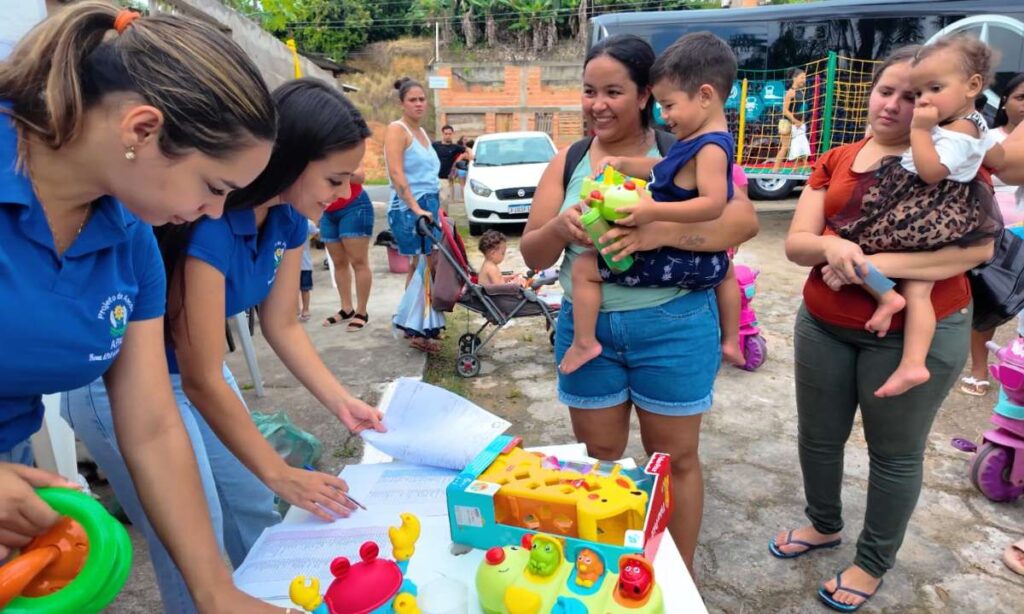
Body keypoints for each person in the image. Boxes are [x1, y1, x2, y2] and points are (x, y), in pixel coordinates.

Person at [0, 3, 288, 612]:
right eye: (215, 187)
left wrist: (216, 591)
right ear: (140, 129)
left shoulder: (130, 239)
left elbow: (154, 425)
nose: (215, 214)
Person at [63, 78, 383, 613]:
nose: (342, 194)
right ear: (292, 159)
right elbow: (199, 375)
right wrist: (280, 471)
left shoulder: (286, 219)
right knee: (194, 541)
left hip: (202, 374)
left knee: (251, 507)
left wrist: (341, 402)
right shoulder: (211, 219)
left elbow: (282, 324)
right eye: (334, 178)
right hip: (127, 387)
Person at [521, 33, 759, 576]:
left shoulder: (685, 148)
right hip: (589, 328)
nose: (597, 104)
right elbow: (533, 252)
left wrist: (658, 234)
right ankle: (609, 570)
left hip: (673, 322)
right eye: (588, 91)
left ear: (645, 95)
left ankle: (678, 579)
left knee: (674, 460)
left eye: (612, 91)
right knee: (599, 460)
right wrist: (561, 225)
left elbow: (740, 221)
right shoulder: (570, 160)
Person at [772, 46, 994, 612]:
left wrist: (882, 266)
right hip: (823, 323)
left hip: (919, 329)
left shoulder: (955, 160)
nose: (897, 105)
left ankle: (872, 562)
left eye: (915, 95)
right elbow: (798, 243)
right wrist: (831, 243)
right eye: (886, 90)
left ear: (942, 99)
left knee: (894, 454)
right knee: (817, 438)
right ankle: (823, 524)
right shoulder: (839, 156)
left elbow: (977, 251)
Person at [824, 36, 1002, 398]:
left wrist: (920, 130)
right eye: (919, 93)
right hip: (933, 210)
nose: (924, 101)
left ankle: (910, 355)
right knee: (917, 286)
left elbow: (931, 172)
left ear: (972, 86)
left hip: (931, 210)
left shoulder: (961, 129)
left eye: (932, 89)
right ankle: (906, 345)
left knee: (870, 245)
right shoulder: (967, 123)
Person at [559, 33, 738, 375]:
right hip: (677, 254)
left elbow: (714, 204)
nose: (664, 115)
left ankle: (585, 342)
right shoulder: (695, 142)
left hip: (674, 256)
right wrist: (625, 164)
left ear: (704, 96)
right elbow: (664, 169)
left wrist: (653, 212)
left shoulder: (712, 148)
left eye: (668, 105)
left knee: (584, 268)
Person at [962, 73, 1024, 396]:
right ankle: (981, 368)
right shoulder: (994, 138)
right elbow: (1003, 168)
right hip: (1005, 236)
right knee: (991, 302)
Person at [385, 77, 443, 353]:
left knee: (422, 266)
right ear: (402, 103)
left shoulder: (421, 133)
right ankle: (416, 328)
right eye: (413, 100)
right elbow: (396, 173)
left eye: (422, 99)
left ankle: (415, 325)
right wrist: (416, 208)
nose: (419, 104)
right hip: (410, 206)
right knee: (423, 264)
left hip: (429, 204)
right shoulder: (397, 130)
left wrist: (435, 209)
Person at [321, 156, 374, 332]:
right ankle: (346, 308)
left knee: (359, 262)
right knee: (338, 263)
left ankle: (361, 312)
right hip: (327, 211)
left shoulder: (346, 145)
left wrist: (331, 171)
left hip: (354, 206)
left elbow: (359, 176)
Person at [772, 67, 808, 173]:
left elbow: (799, 109)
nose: (804, 80)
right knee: (785, 147)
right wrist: (795, 121)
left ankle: (796, 170)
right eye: (802, 78)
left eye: (805, 78)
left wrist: (801, 121)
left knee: (799, 145)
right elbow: (785, 111)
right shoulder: (790, 93)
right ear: (794, 78)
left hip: (795, 122)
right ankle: (775, 170)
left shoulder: (801, 92)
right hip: (785, 122)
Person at [432, 124, 465, 208]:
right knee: (433, 203)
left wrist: (459, 161)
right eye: (446, 134)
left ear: (452, 134)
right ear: (442, 134)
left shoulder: (455, 147)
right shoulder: (435, 145)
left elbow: (467, 151)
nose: (447, 136)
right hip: (433, 179)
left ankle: (444, 220)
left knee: (444, 203)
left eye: (449, 134)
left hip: (445, 179)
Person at [299, 218, 317, 322]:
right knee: (292, 289)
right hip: (291, 263)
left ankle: (305, 309)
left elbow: (317, 234)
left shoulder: (308, 222)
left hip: (304, 263)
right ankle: (296, 310)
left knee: (305, 288)